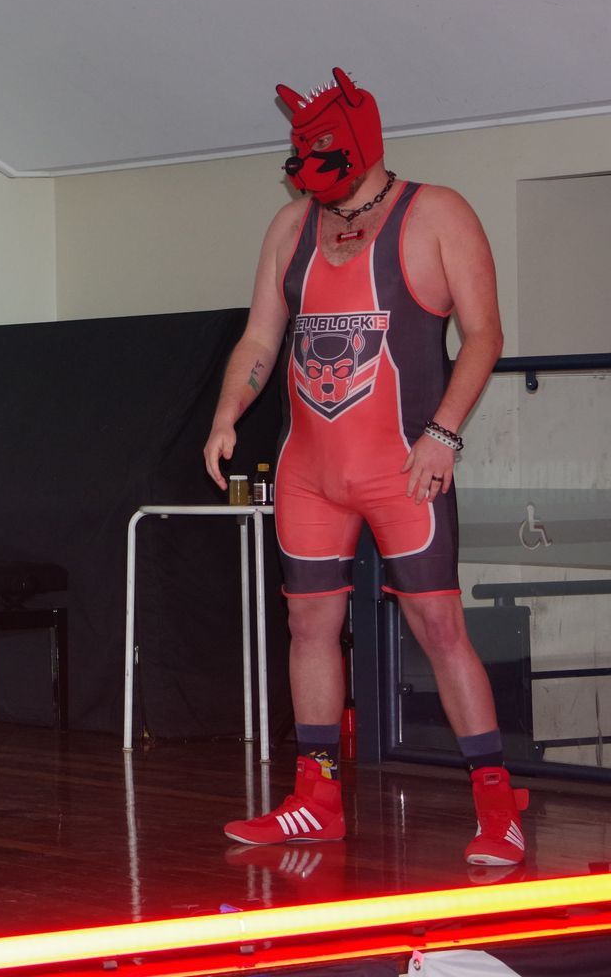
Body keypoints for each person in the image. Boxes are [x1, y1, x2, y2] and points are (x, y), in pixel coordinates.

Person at [202, 67, 526, 867]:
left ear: (359, 146)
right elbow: (261, 336)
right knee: (308, 624)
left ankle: (498, 807)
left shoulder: (437, 213)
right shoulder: (291, 226)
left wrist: (443, 434)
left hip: (403, 466)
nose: (309, 178)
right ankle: (316, 801)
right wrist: (226, 413)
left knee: (439, 626)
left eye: (323, 157)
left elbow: (484, 334)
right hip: (309, 469)